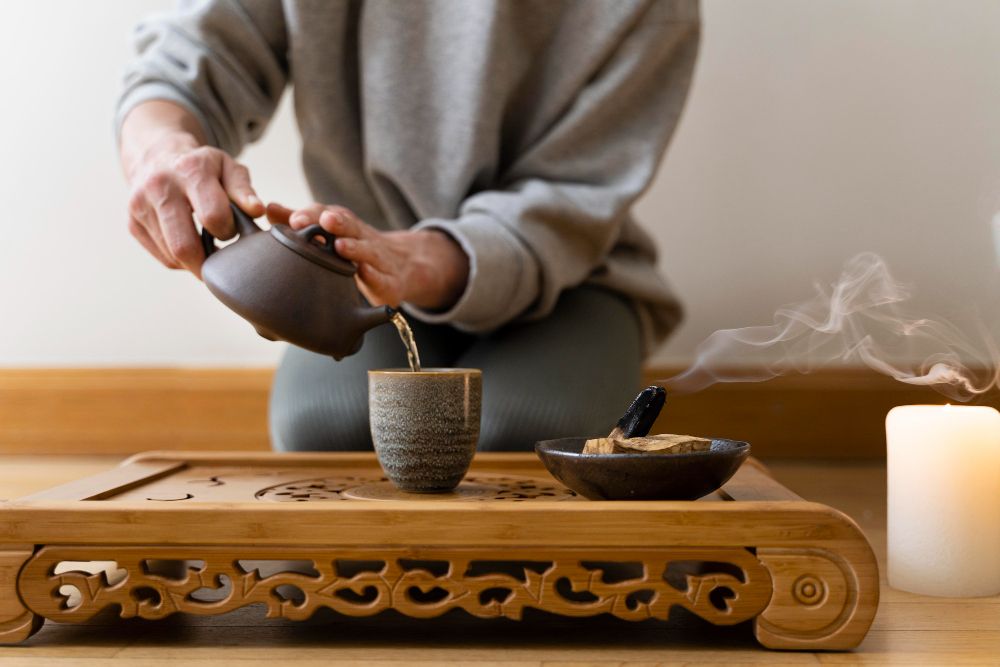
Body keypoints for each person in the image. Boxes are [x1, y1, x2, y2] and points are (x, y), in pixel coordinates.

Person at [117, 0, 699, 452]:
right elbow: (187, 58)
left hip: (571, 274)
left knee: (526, 433)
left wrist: (424, 261)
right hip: (355, 273)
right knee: (327, 428)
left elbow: (577, 191)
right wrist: (162, 148)